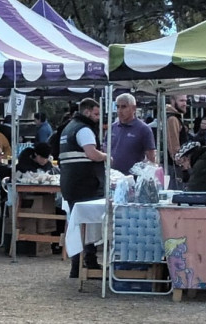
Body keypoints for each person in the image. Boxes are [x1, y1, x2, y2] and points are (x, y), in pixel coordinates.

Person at [59, 98, 108, 278]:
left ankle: (77, 265)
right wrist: (106, 156)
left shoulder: (68, 128)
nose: (97, 118)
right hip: (85, 183)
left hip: (70, 182)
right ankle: (88, 262)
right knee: (87, 225)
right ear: (87, 112)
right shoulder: (84, 129)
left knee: (77, 224)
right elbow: (92, 154)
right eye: (96, 114)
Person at [110, 93, 156, 175]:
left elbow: (151, 158)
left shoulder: (143, 129)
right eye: (117, 107)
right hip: (113, 176)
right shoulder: (113, 127)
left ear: (134, 108)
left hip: (133, 178)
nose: (120, 110)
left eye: (124, 107)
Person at [166, 94, 189, 190]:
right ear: (172, 101)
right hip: (174, 166)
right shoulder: (173, 119)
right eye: (181, 101)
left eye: (185, 101)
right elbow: (174, 145)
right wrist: (183, 165)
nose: (184, 104)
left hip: (174, 165)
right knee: (176, 193)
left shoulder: (175, 117)